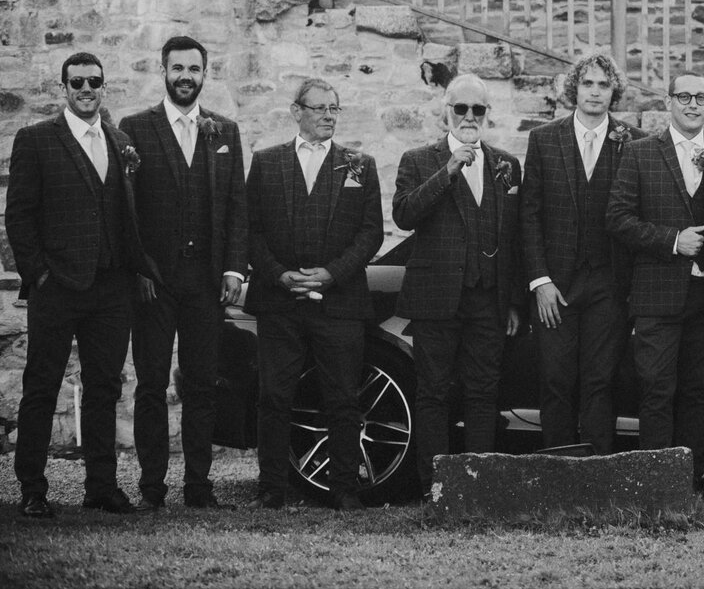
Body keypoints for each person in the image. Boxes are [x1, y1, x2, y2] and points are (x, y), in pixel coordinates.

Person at [7, 52, 151, 518]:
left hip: (111, 289)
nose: (86, 89)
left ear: (103, 86)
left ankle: (101, 487)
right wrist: (40, 276)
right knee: (42, 386)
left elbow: (127, 216)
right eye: (77, 82)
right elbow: (19, 218)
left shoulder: (121, 139)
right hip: (58, 287)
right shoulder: (35, 140)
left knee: (104, 387)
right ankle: (32, 488)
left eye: (94, 81)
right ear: (64, 88)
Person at [605, 71, 704, 484]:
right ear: (668, 102)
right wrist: (673, 241)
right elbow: (617, 219)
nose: (692, 104)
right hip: (656, 296)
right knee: (656, 391)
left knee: (698, 393)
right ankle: (655, 488)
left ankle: (690, 485)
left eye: (700, 97)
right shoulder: (639, 153)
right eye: (683, 96)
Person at [121, 35, 247, 511]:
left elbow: (237, 205)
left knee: (201, 385)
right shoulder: (134, 128)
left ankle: (199, 484)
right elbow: (126, 209)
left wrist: (235, 268)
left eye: (194, 69)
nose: (185, 77)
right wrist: (139, 268)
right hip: (154, 283)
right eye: (177, 68)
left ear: (204, 74)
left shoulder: (225, 131)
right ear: (163, 71)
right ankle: (152, 485)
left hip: (207, 282)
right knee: (151, 384)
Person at [244, 77, 382, 510]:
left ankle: (344, 487)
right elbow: (250, 230)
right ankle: (272, 487)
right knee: (275, 397)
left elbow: (370, 233)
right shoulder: (267, 163)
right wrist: (280, 274)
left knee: (343, 397)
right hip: (279, 302)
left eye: (334, 109)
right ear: (296, 111)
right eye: (319, 108)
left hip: (339, 302)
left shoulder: (359, 164)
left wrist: (331, 273)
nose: (328, 116)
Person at [392, 74, 523, 500]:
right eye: (460, 108)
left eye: (478, 109)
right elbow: (405, 215)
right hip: (437, 298)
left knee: (484, 393)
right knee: (432, 393)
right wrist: (448, 171)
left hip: (488, 299)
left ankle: (479, 487)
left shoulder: (506, 163)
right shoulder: (418, 159)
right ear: (445, 111)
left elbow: (515, 236)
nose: (469, 117)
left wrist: (513, 301)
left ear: (488, 114)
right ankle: (435, 488)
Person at [520, 53, 647, 452]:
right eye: (588, 83)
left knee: (599, 381)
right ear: (574, 88)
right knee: (554, 381)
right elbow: (529, 214)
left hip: (609, 284)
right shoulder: (544, 138)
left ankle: (597, 478)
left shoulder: (635, 142)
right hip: (554, 284)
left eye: (603, 85)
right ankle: (557, 477)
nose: (595, 92)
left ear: (614, 93)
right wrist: (540, 281)